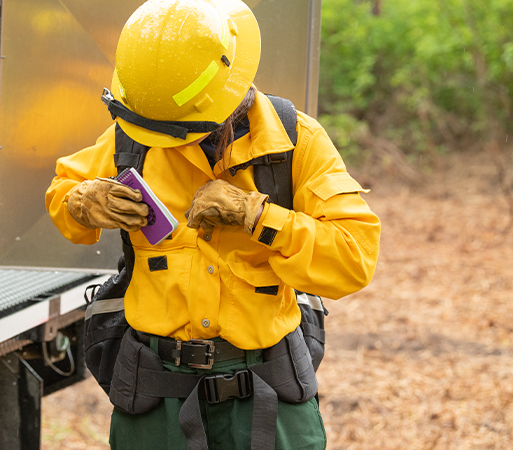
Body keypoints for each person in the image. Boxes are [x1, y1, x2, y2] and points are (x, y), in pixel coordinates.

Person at [45, 0, 381, 448]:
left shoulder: (296, 141)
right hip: (155, 394)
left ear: (226, 99)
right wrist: (82, 202)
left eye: (181, 129)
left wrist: (257, 216)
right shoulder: (137, 131)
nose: (168, 140)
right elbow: (64, 191)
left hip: (267, 390)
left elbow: (353, 259)